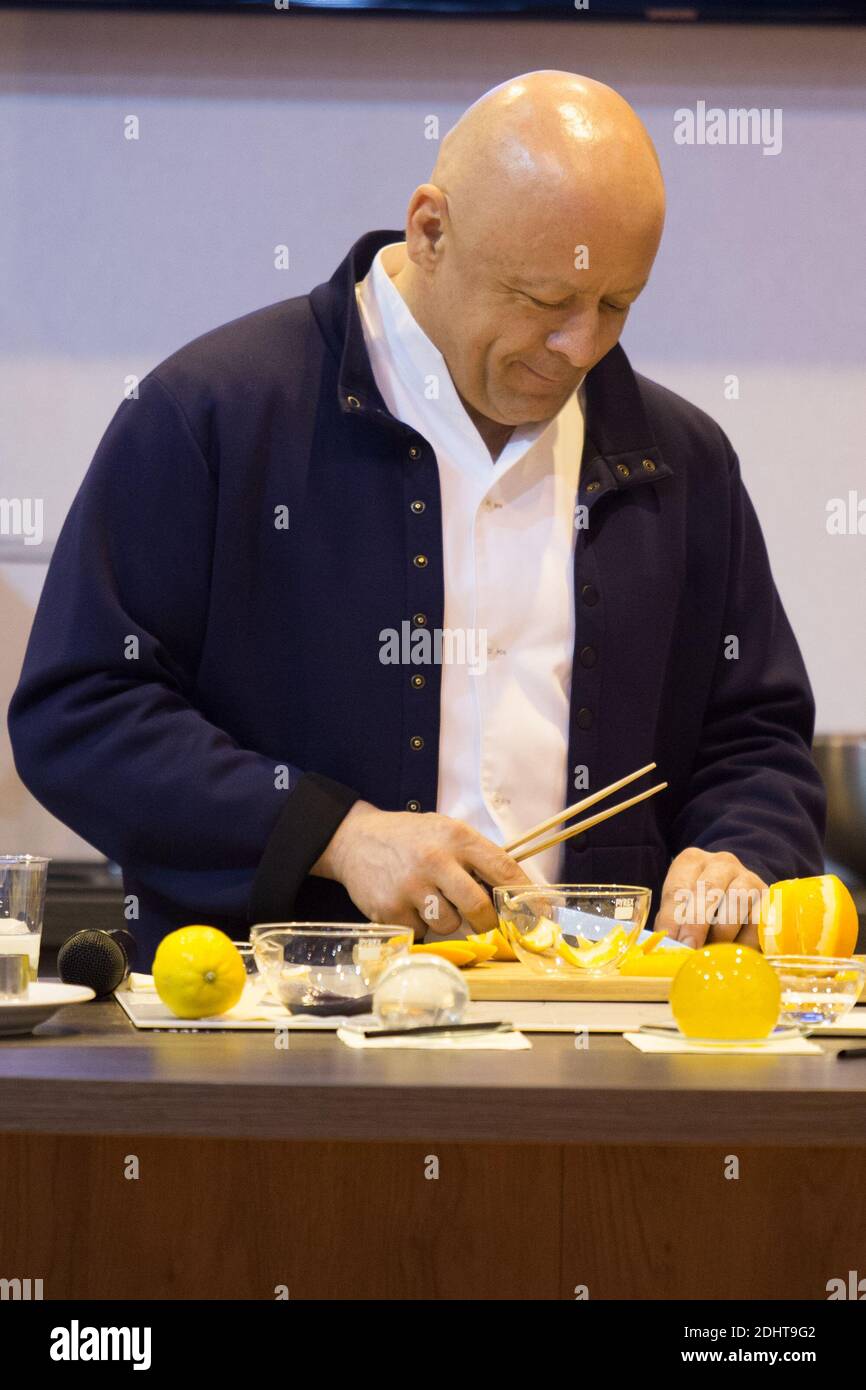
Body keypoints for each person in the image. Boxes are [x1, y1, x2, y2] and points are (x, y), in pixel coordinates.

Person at [8, 72, 825, 969]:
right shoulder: (214, 414)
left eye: (617, 305)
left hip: (606, 1035)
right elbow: (79, 711)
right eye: (546, 301)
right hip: (278, 1033)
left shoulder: (681, 457)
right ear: (430, 230)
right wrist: (336, 835)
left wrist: (740, 852)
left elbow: (754, 737)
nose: (581, 347)